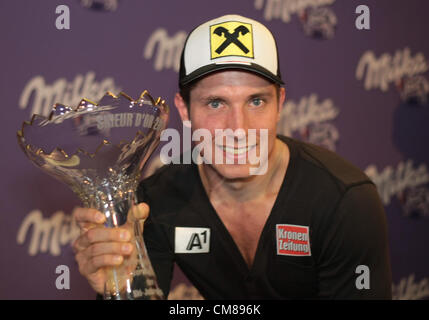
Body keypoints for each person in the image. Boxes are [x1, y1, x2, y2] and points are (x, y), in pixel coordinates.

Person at [72, 14, 392, 299]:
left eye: (256, 101)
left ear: (280, 104)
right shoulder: (155, 202)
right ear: (184, 110)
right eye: (215, 103)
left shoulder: (344, 201)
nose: (238, 129)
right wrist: (121, 289)